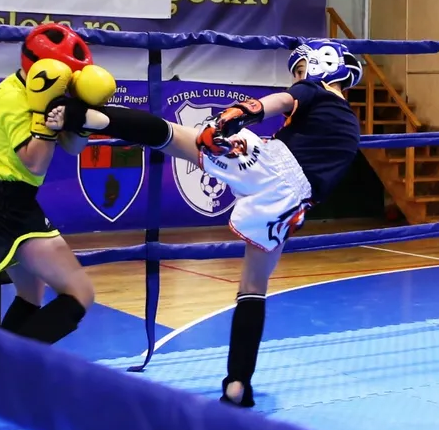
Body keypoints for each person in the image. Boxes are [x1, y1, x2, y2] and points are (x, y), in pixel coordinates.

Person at [45, 39, 363, 407]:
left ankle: (91, 117)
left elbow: (280, 101)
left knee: (174, 137)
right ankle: (237, 382)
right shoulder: (350, 126)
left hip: (273, 166)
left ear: (323, 64)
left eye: (302, 69)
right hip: (292, 204)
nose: (298, 77)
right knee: (253, 287)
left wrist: (240, 113)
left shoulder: (314, 91)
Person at [0, 22, 116, 345]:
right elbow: (35, 161)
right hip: (7, 205)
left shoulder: (45, 90)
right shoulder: (13, 97)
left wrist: (80, 121)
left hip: (7, 201)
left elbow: (72, 147)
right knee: (80, 293)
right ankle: (12, 366)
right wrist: (44, 123)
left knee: (30, 294)